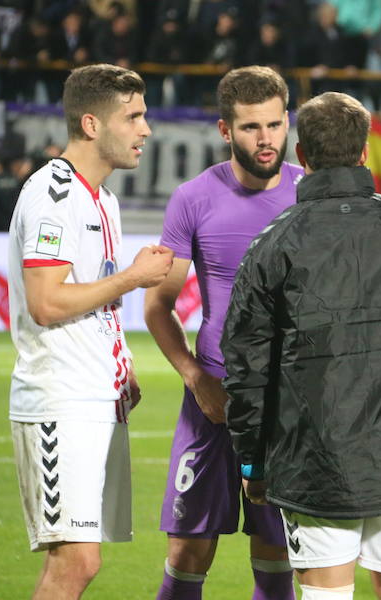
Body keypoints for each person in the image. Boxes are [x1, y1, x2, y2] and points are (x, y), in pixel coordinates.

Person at [220, 91, 381, 600]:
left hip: (312, 456)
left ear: (301, 156)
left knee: (325, 590)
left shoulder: (274, 243)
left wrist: (251, 458)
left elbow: (246, 363)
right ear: (365, 151)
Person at [7, 63, 173, 599]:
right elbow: (47, 301)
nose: (145, 129)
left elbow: (91, 299)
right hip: (58, 398)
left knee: (84, 560)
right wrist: (132, 278)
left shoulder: (103, 199)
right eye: (133, 117)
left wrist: (117, 368)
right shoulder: (54, 192)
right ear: (92, 124)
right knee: (74, 562)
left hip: (93, 394)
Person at [144, 65, 300, 600]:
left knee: (277, 548)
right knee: (188, 548)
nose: (266, 139)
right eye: (252, 127)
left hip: (288, 403)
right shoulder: (193, 197)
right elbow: (159, 306)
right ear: (224, 130)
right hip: (214, 398)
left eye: (276, 125)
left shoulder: (312, 195)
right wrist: (194, 377)